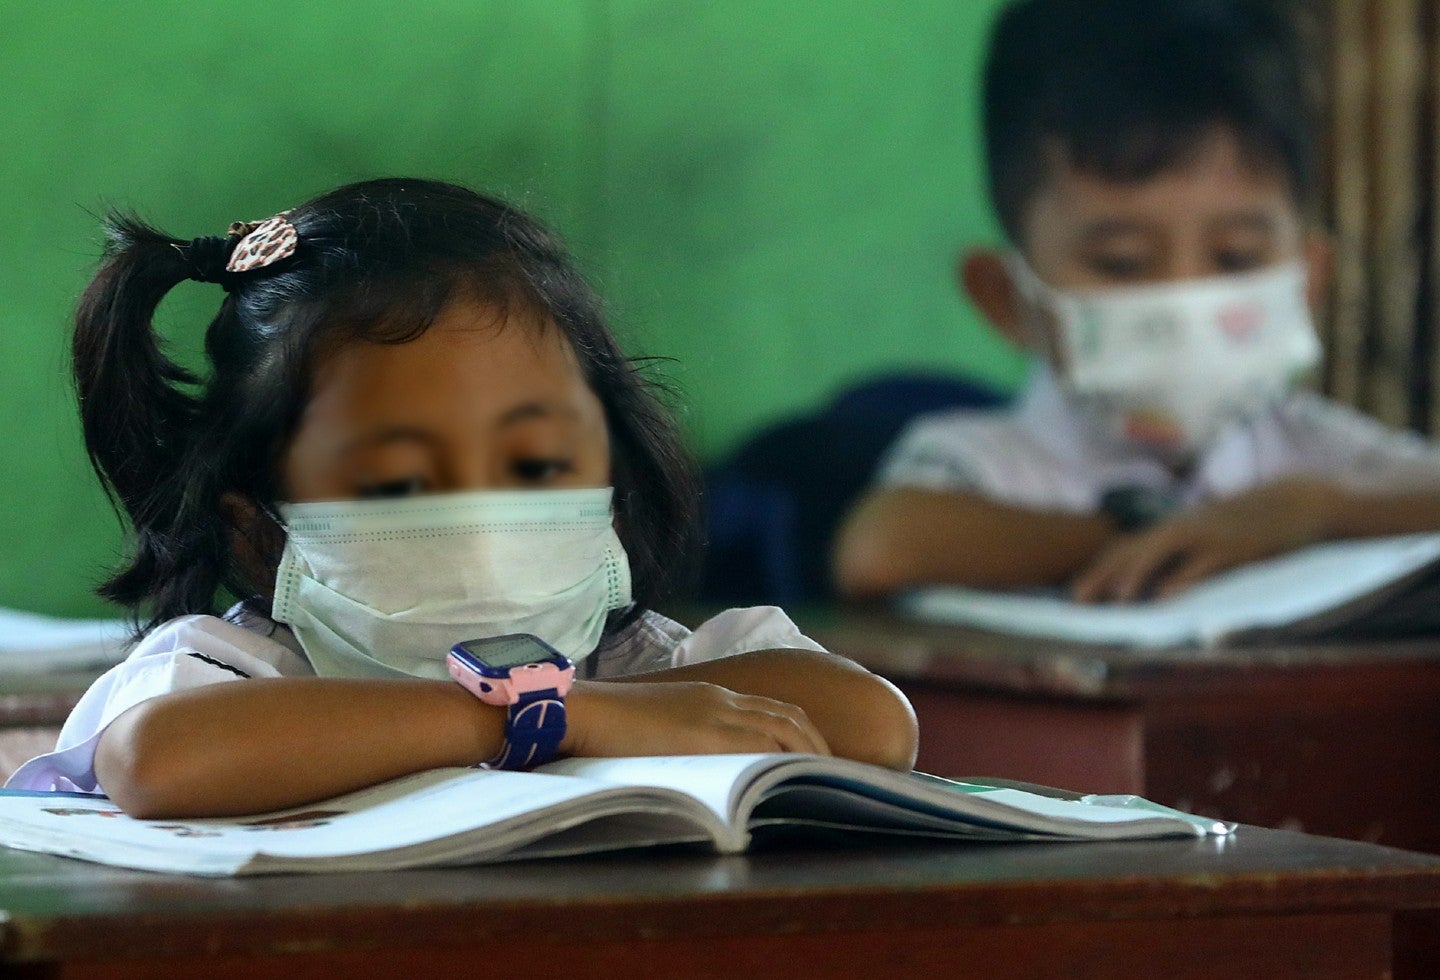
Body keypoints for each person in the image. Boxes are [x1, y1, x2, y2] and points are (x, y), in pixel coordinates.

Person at [7, 178, 917, 818]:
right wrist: (556, 716)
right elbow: (161, 760)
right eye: (400, 481)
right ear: (260, 536)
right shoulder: (235, 669)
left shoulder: (638, 664)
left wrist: (605, 700)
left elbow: (873, 724)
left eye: (535, 468)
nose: (485, 521)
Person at [834, 0, 1440, 604]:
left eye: (1237, 257)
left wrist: (1313, 516)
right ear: (1005, 299)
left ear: (1308, 280)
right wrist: (1160, 529)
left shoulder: (1323, 455)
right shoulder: (979, 464)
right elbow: (879, 548)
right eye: (1121, 263)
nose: (1184, 298)